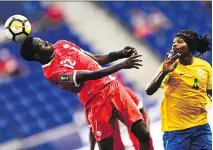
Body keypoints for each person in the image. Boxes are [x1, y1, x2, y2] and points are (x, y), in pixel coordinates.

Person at [20, 37, 151, 150]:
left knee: (143, 133)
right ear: (37, 55)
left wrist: (121, 54)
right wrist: (121, 65)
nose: (46, 42)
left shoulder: (62, 44)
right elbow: (92, 75)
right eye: (41, 44)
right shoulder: (52, 74)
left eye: (43, 40)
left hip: (113, 88)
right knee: (107, 147)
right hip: (95, 102)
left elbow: (95, 59)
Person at [146, 30, 212, 150]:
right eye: (173, 42)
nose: (174, 45)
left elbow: (210, 91)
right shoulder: (168, 66)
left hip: (201, 127)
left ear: (190, 45)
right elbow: (149, 90)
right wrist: (164, 73)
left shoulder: (205, 66)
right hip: (175, 131)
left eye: (180, 42)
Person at [88, 83, 154, 150]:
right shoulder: (91, 105)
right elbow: (92, 130)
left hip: (137, 145)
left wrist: (147, 134)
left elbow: (144, 113)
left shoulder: (125, 92)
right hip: (118, 147)